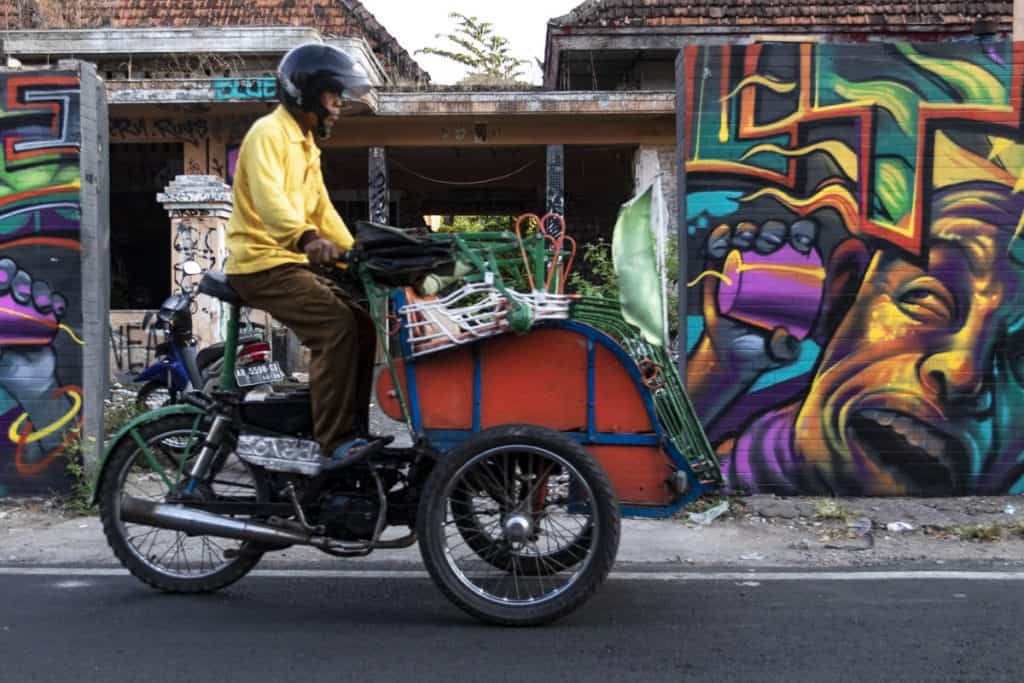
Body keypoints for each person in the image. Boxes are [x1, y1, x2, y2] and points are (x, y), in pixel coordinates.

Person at [224, 43, 380, 465]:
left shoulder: (306, 146)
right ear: (307, 94)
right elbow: (272, 202)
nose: (338, 107)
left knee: (363, 326)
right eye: (333, 96)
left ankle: (353, 429)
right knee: (335, 329)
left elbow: (321, 209)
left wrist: (357, 253)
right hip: (260, 264)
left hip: (287, 262)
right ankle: (334, 442)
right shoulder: (268, 135)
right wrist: (307, 239)